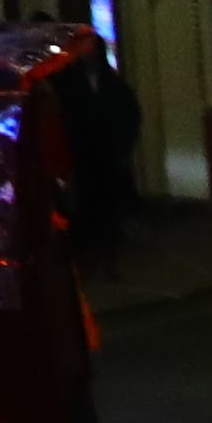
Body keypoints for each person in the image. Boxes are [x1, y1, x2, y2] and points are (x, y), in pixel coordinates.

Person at [67, 29, 148, 277]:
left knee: (109, 211)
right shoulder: (71, 82)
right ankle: (88, 261)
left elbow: (129, 115)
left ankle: (109, 261)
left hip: (108, 157)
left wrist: (121, 146)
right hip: (83, 157)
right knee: (86, 211)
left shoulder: (113, 83)